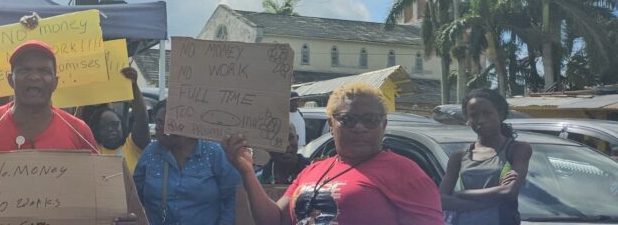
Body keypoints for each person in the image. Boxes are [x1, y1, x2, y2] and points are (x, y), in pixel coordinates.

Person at [0, 39, 137, 225]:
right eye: (25, 70)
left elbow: (102, 194)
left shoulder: (79, 132)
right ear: (9, 80)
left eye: (44, 71)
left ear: (56, 82)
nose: (34, 77)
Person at [224, 81, 443, 225]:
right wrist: (247, 171)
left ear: (383, 125)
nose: (359, 128)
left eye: (370, 120)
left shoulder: (405, 172)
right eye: (348, 119)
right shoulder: (313, 170)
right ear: (331, 124)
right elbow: (274, 220)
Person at [134, 100, 240, 225]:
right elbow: (134, 196)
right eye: (157, 121)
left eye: (165, 123)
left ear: (183, 125)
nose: (158, 127)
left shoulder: (214, 153)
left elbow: (233, 198)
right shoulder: (150, 153)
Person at [440, 88, 532, 225]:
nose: (481, 120)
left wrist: (462, 194)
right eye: (474, 115)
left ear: (500, 114)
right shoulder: (459, 157)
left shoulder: (517, 150)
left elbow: (509, 191)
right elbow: (442, 200)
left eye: (487, 113)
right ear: (467, 119)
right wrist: (491, 200)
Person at [87, 67, 151, 172]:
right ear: (97, 131)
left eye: (115, 124)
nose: (111, 129)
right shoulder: (93, 150)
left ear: (122, 124)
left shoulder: (132, 145)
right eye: (104, 127)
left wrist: (134, 87)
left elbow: (142, 120)